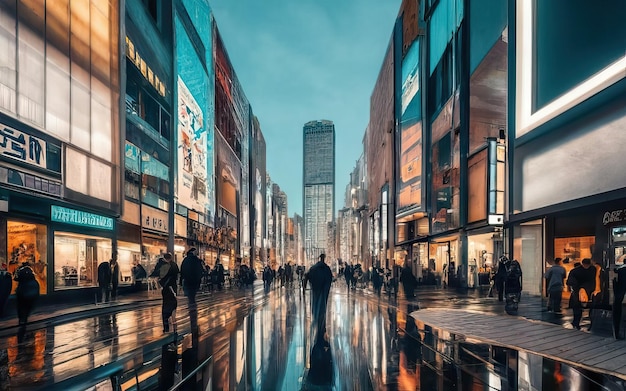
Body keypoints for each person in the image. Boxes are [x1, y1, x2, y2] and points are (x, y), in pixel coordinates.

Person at [304, 253, 333, 342]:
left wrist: (304, 288)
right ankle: (321, 325)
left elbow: (306, 276)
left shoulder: (313, 268)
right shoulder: (326, 268)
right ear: (324, 258)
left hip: (315, 289)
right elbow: (330, 279)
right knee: (322, 306)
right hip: (323, 290)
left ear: (319, 258)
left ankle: (315, 319)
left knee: (315, 303)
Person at [567, 258, 597, 330]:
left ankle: (576, 323)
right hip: (589, 291)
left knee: (577, 308)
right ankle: (578, 323)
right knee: (590, 308)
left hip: (578, 292)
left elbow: (570, 282)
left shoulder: (575, 271)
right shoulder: (593, 270)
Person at [14, 262, 39, 341]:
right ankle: (23, 321)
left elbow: (16, 279)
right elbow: (36, 290)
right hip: (29, 298)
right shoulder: (32, 279)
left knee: (22, 309)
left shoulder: (22, 275)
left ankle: (22, 321)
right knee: (26, 310)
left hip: (23, 297)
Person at [159, 253, 179, 333]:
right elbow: (176, 275)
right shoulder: (174, 265)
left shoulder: (164, 266)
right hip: (173, 288)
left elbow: (160, 277)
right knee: (173, 304)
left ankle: (166, 325)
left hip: (166, 288)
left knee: (166, 305)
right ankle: (174, 320)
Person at [613, 264, 626, 339]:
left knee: (617, 308)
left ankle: (617, 332)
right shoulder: (620, 270)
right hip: (620, 293)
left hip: (619, 294)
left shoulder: (619, 270)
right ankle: (617, 332)